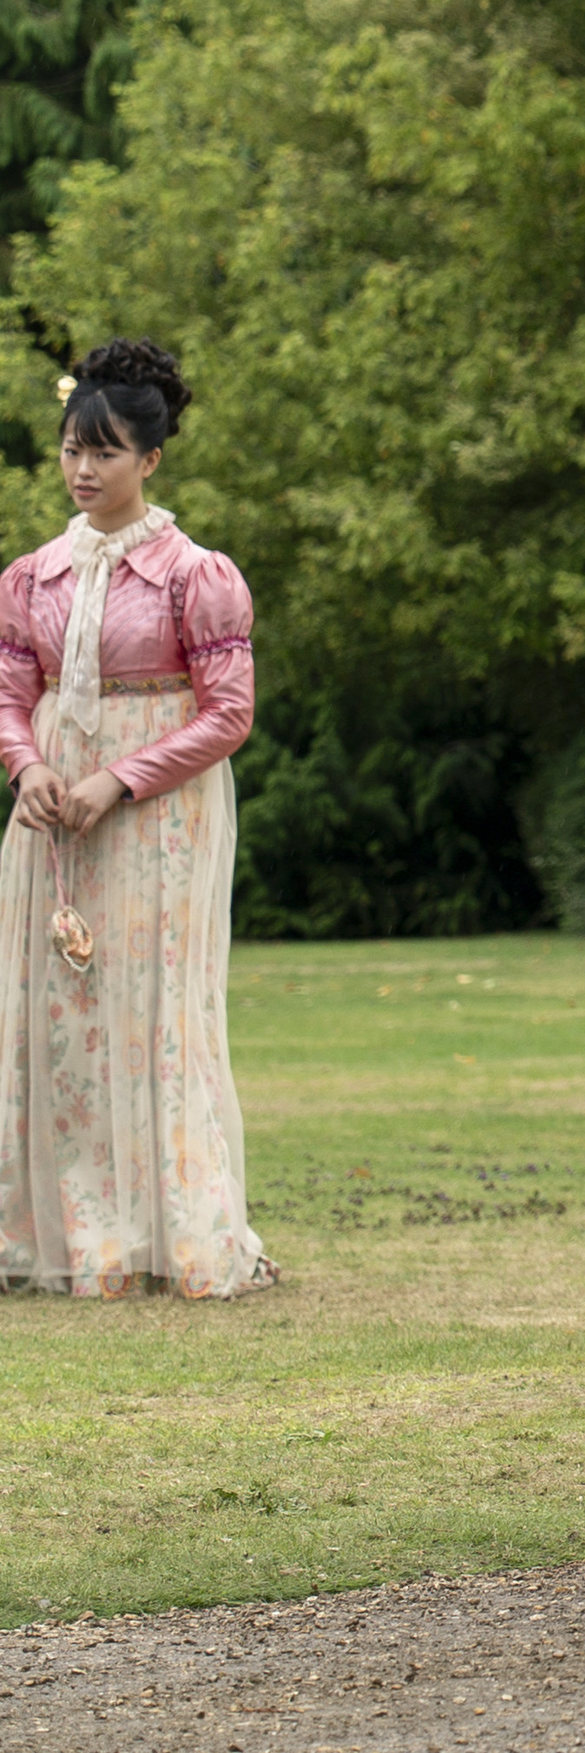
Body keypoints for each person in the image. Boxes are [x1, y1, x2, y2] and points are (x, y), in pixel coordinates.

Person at [0, 340, 267, 1301]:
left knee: (152, 1012)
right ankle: (71, 1237)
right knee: (58, 1015)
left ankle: (173, 1231)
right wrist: (27, 767)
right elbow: (8, 689)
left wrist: (118, 778)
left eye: (105, 452)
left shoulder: (199, 575)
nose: (82, 470)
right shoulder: (30, 577)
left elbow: (227, 714)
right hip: (52, 821)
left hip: (158, 819)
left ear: (149, 460)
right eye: (72, 449)